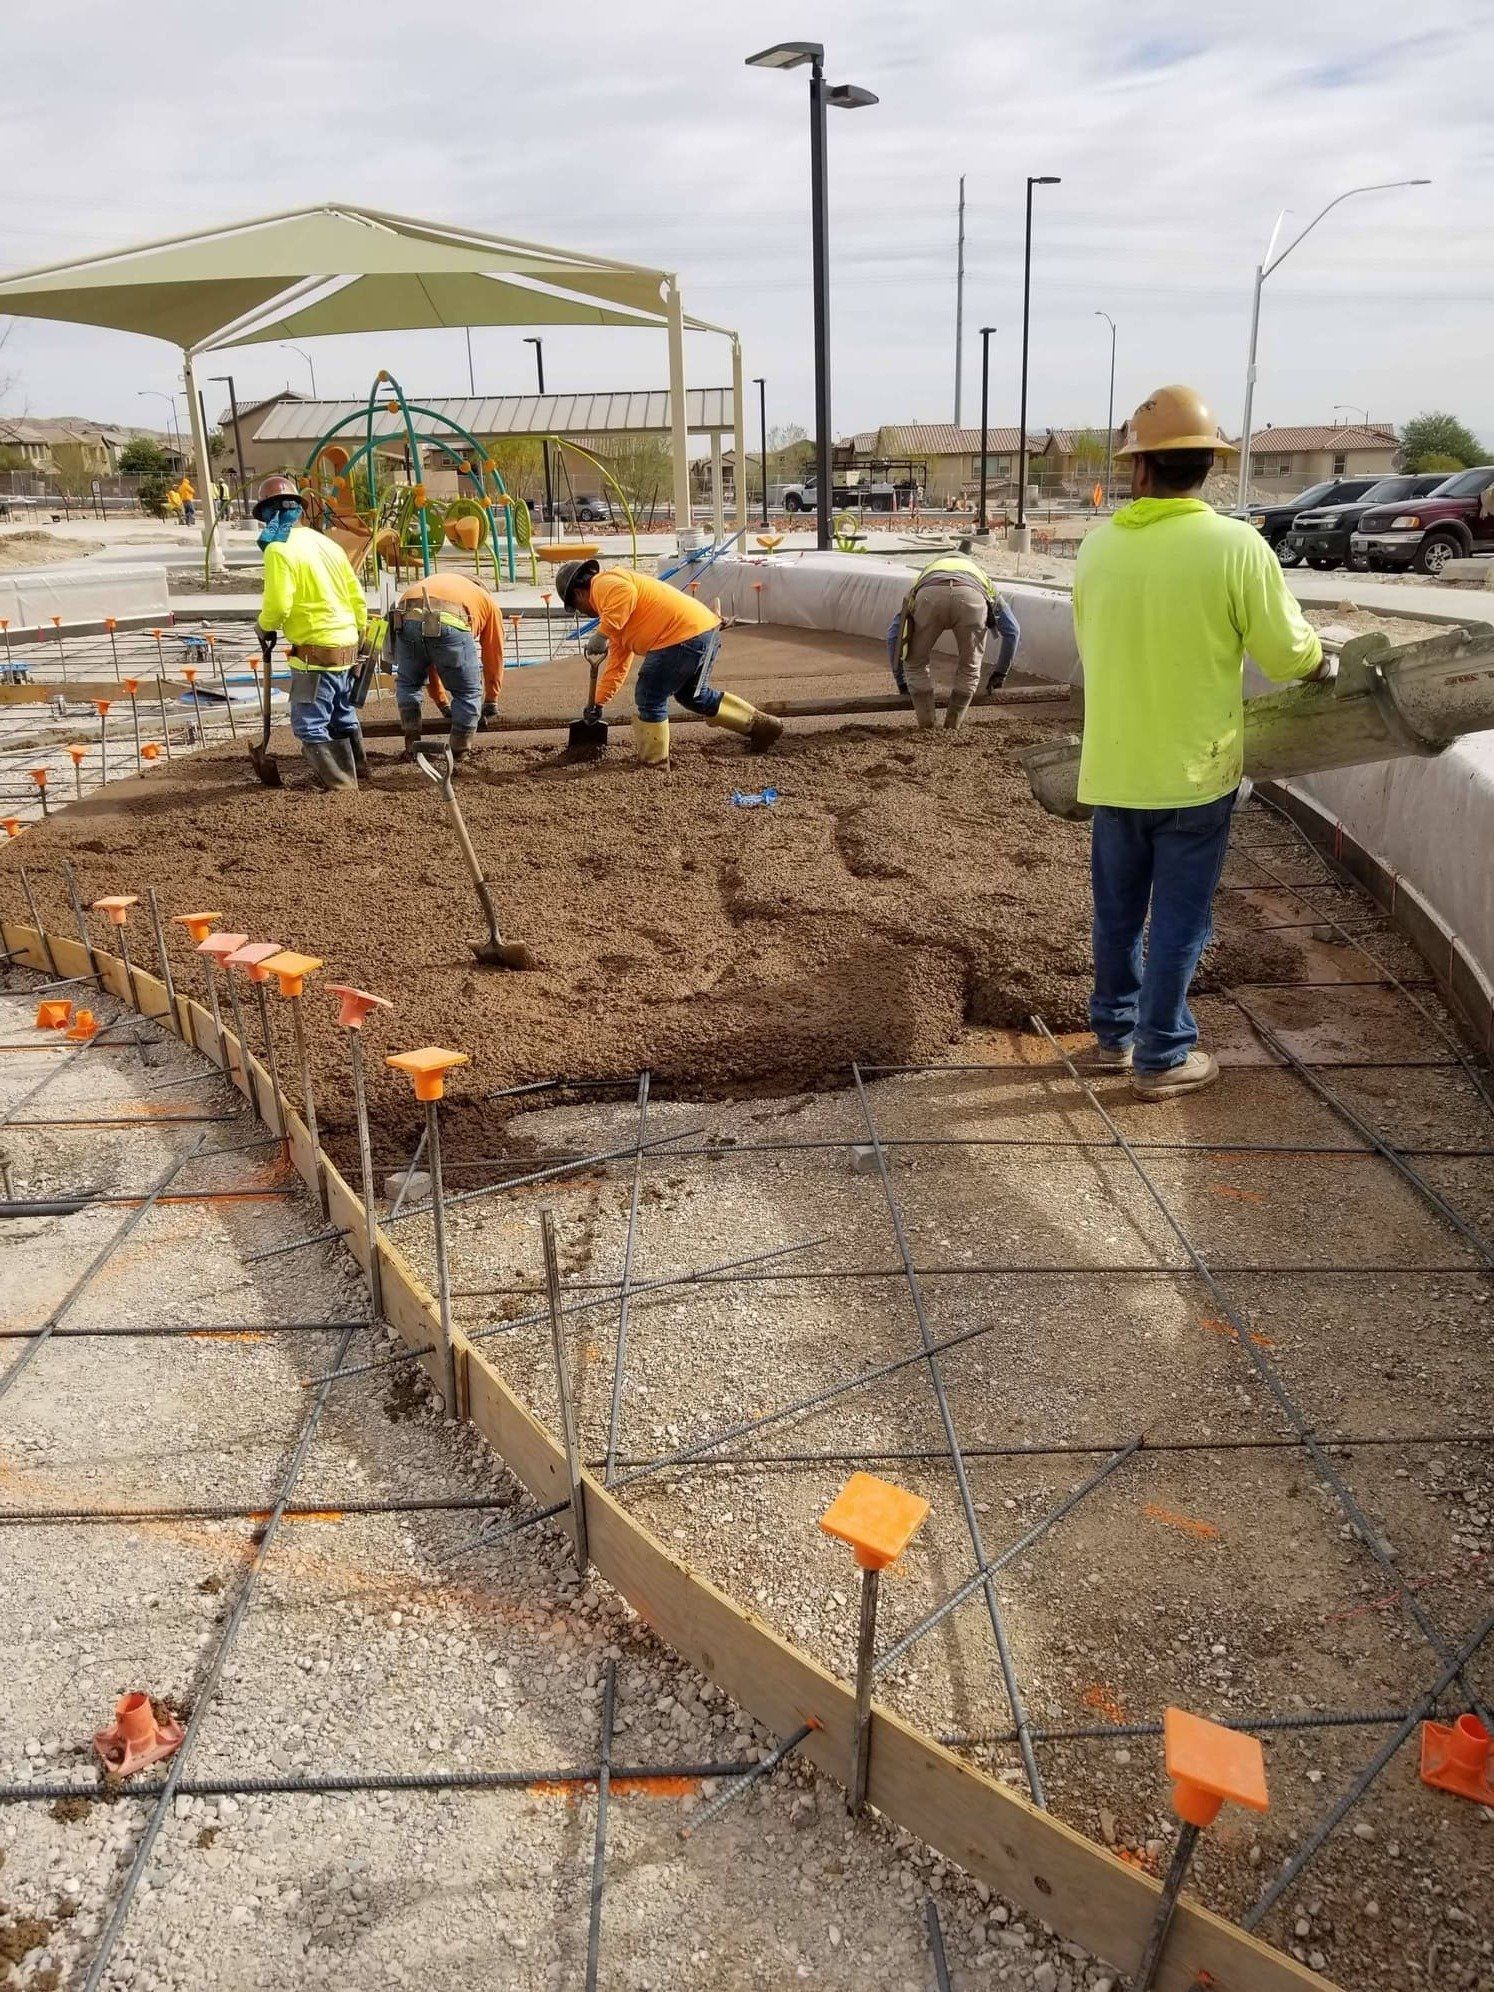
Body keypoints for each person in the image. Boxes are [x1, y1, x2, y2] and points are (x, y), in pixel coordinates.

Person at [1074, 385, 1328, 1099]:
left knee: (1117, 914)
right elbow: (1288, 656)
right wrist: (1321, 660)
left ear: (1140, 470)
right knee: (1180, 918)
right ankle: (1162, 1055)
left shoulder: (1097, 549)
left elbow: (1091, 644)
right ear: (1209, 468)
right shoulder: (1235, 546)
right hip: (1195, 774)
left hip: (1114, 770)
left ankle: (1112, 1038)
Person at [555, 559, 782, 766]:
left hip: (680, 637)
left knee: (649, 695)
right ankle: (761, 726)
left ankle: (654, 762)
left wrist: (602, 633)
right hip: (705, 633)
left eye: (575, 607)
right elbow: (617, 666)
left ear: (578, 593)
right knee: (694, 696)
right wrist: (598, 702)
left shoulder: (602, 583)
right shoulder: (617, 619)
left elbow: (625, 593)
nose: (581, 613)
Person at [252, 474, 370, 791]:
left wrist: (263, 626)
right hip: (346, 646)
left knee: (309, 722)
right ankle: (358, 769)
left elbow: (278, 605)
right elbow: (357, 597)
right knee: (342, 712)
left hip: (316, 652)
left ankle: (341, 785)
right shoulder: (327, 544)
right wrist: (358, 636)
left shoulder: (279, 549)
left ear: (267, 513)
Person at [889, 538, 1019, 721]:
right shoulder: (980, 575)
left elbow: (894, 633)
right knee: (969, 669)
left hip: (929, 595)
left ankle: (927, 728)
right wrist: (1000, 673)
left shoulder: (927, 573)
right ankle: (952, 728)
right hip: (972, 596)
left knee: (915, 665)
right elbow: (1013, 631)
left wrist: (901, 680)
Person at [391, 570, 505, 763]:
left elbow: (429, 661)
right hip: (451, 619)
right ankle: (458, 752)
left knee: (409, 685)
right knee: (467, 693)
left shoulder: (441, 582)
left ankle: (412, 743)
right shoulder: (487, 601)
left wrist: (443, 704)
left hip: (406, 615)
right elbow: (494, 653)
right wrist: (491, 700)